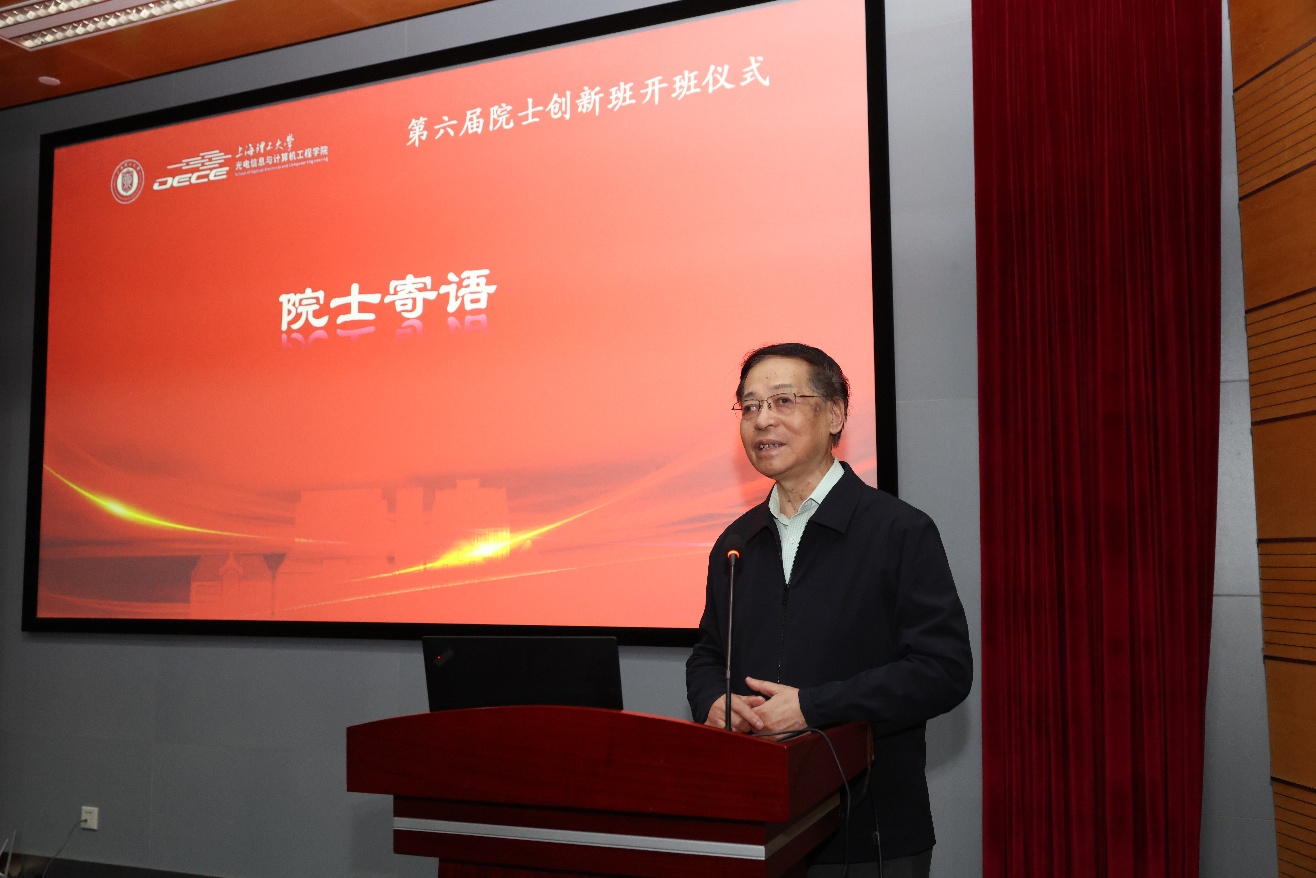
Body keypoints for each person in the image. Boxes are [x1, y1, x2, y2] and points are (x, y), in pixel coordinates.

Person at [685, 343, 972, 878]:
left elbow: (943, 670)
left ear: (835, 414)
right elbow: (708, 654)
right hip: (760, 829)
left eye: (783, 401)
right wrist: (714, 699)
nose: (762, 420)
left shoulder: (898, 531)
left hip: (869, 835)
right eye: (750, 406)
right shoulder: (736, 542)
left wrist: (814, 707)